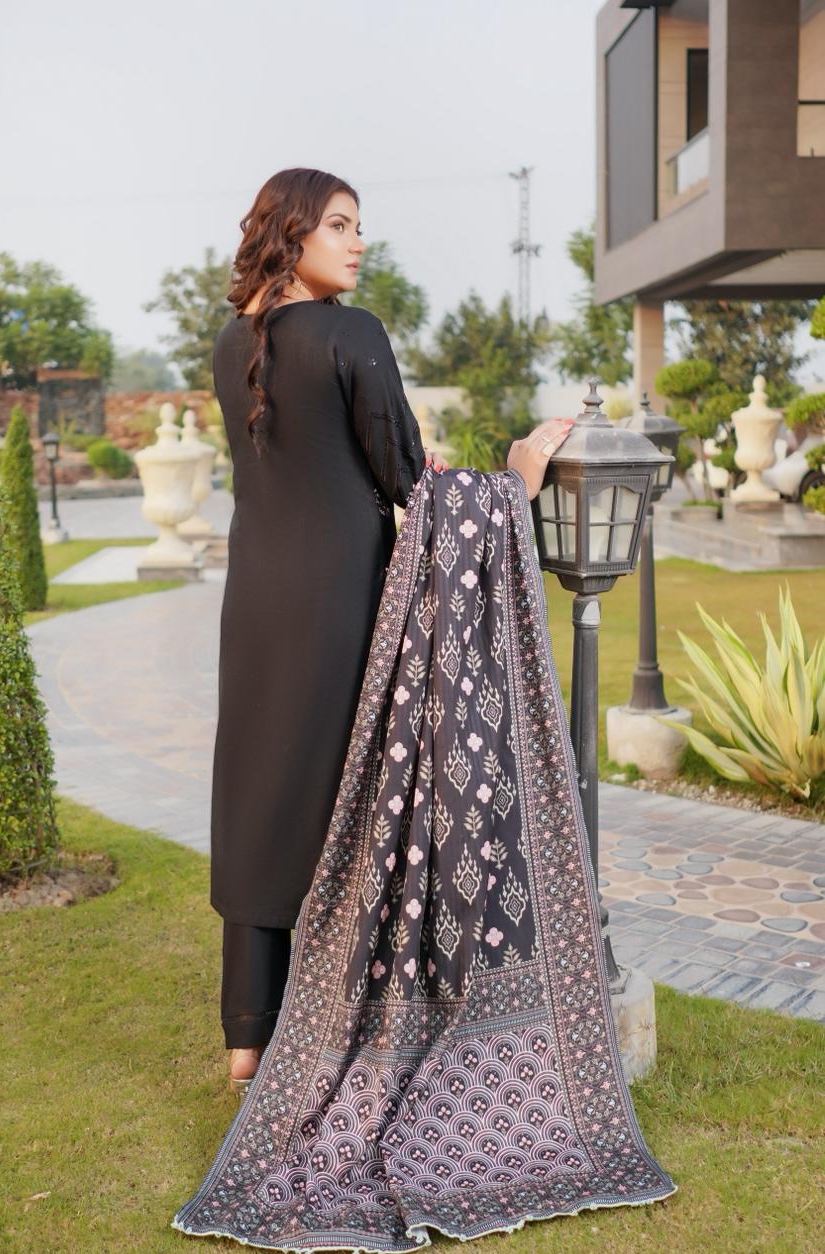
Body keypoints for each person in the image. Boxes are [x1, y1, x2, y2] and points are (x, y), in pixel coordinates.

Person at [209, 167, 573, 1097]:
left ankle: (247, 1034)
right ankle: (353, 1016)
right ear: (293, 232)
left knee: (261, 782)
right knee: (354, 791)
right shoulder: (353, 334)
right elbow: (412, 480)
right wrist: (518, 478)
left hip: (255, 596)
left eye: (359, 226)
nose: (359, 243)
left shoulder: (232, 343)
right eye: (340, 225)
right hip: (341, 594)